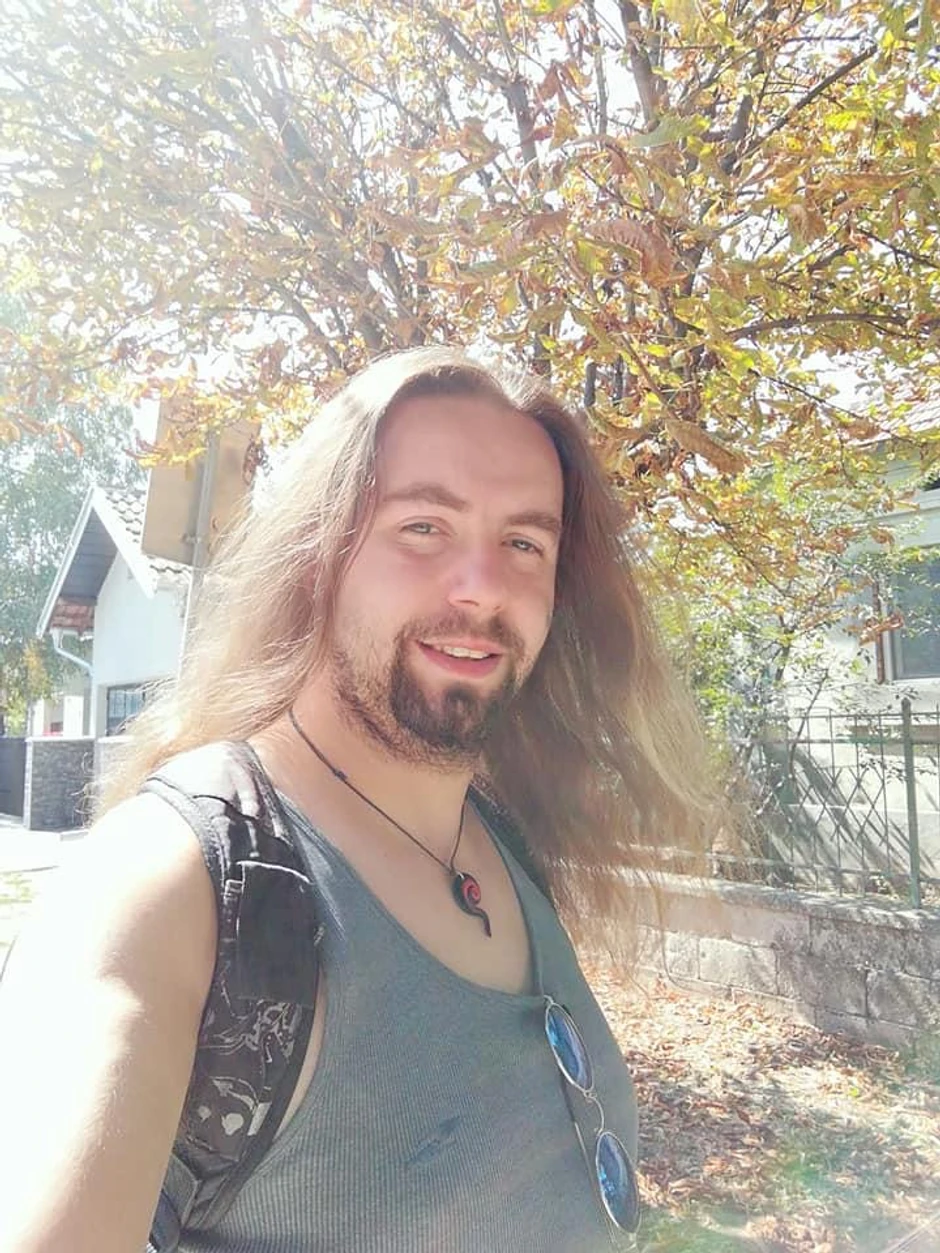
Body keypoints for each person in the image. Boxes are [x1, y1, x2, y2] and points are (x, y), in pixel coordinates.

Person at [0, 347, 712, 1253]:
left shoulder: (506, 840)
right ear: (318, 555)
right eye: (424, 526)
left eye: (524, 543)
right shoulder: (173, 883)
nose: (483, 584)